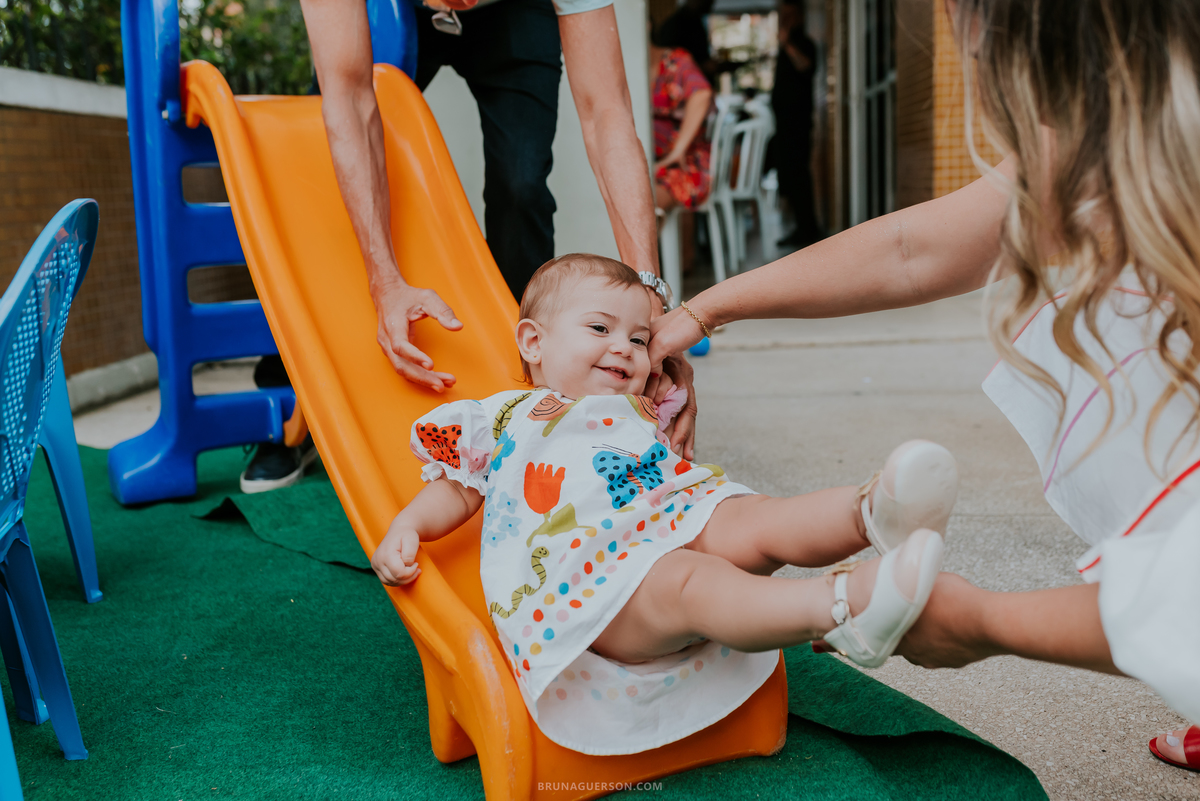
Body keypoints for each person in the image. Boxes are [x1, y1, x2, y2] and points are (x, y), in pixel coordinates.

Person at [647, 0, 1200, 765]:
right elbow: (914, 250)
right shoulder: (1121, 128)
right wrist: (703, 310)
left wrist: (983, 622)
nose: (969, 63)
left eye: (965, 35)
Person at [370, 253, 954, 754]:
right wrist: (409, 525)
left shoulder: (642, 404)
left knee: (750, 518)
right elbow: (458, 486)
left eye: (638, 339)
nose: (623, 349)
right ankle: (845, 607)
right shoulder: (504, 417)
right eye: (599, 329)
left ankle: (875, 511)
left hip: (676, 517)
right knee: (689, 578)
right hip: (600, 584)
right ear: (533, 342)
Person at [239, 0, 699, 492]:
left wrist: (648, 295)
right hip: (388, 12)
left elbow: (606, 114)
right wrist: (385, 280)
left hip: (514, 16)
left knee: (521, 188)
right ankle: (285, 402)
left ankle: (535, 403)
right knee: (315, 182)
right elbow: (349, 96)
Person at [768, 0, 820, 248]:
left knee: (799, 176)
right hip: (784, 124)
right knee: (789, 174)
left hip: (798, 124)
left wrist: (786, 43)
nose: (784, 19)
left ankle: (809, 229)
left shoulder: (804, 44)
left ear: (798, 15)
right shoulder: (783, 47)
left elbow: (806, 67)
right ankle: (801, 227)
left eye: (788, 14)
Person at [649, 32, 714, 212]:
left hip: (687, 163)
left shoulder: (675, 60)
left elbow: (702, 94)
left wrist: (677, 151)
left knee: (643, 204)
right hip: (655, 162)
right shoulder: (627, 69)